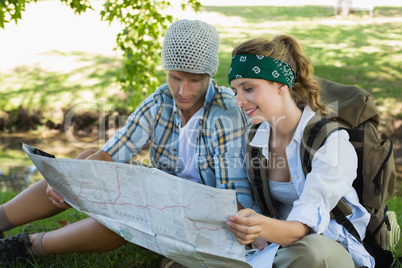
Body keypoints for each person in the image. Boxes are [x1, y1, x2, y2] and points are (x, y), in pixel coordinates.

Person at [0, 19, 253, 267]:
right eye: (175, 77)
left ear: (209, 75)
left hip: (204, 221)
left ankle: (25, 246)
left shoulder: (226, 114)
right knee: (89, 158)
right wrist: (69, 182)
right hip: (163, 198)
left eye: (194, 80)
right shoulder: (161, 100)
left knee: (134, 214)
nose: (182, 91)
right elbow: (113, 152)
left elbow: (232, 202)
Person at [225, 35, 375, 268]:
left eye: (249, 88)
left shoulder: (331, 142)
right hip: (276, 247)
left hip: (329, 246)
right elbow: (255, 207)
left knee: (314, 253)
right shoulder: (254, 137)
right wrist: (247, 225)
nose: (239, 101)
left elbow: (302, 228)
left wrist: (259, 225)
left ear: (281, 86)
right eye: (236, 91)